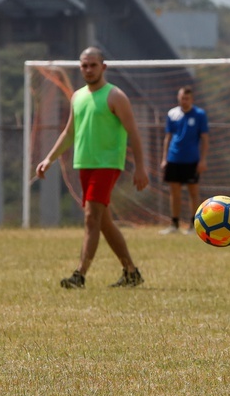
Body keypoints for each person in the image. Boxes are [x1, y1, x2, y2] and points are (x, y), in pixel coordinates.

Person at [36, 46, 149, 289]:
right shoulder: (77, 96)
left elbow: (134, 133)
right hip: (84, 165)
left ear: (103, 67)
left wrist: (141, 167)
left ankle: (79, 275)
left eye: (93, 65)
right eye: (84, 65)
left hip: (107, 165)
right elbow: (69, 132)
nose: (88, 70)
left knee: (91, 218)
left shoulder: (115, 96)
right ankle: (131, 272)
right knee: (103, 221)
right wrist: (49, 158)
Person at [158, 86, 209, 234]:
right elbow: (168, 138)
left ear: (192, 99)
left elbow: (205, 139)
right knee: (174, 192)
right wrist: (164, 158)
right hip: (174, 159)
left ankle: (194, 224)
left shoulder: (199, 114)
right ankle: (174, 224)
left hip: (192, 160)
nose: (184, 101)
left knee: (193, 192)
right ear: (178, 98)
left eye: (187, 98)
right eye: (181, 98)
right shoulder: (172, 114)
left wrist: (203, 160)